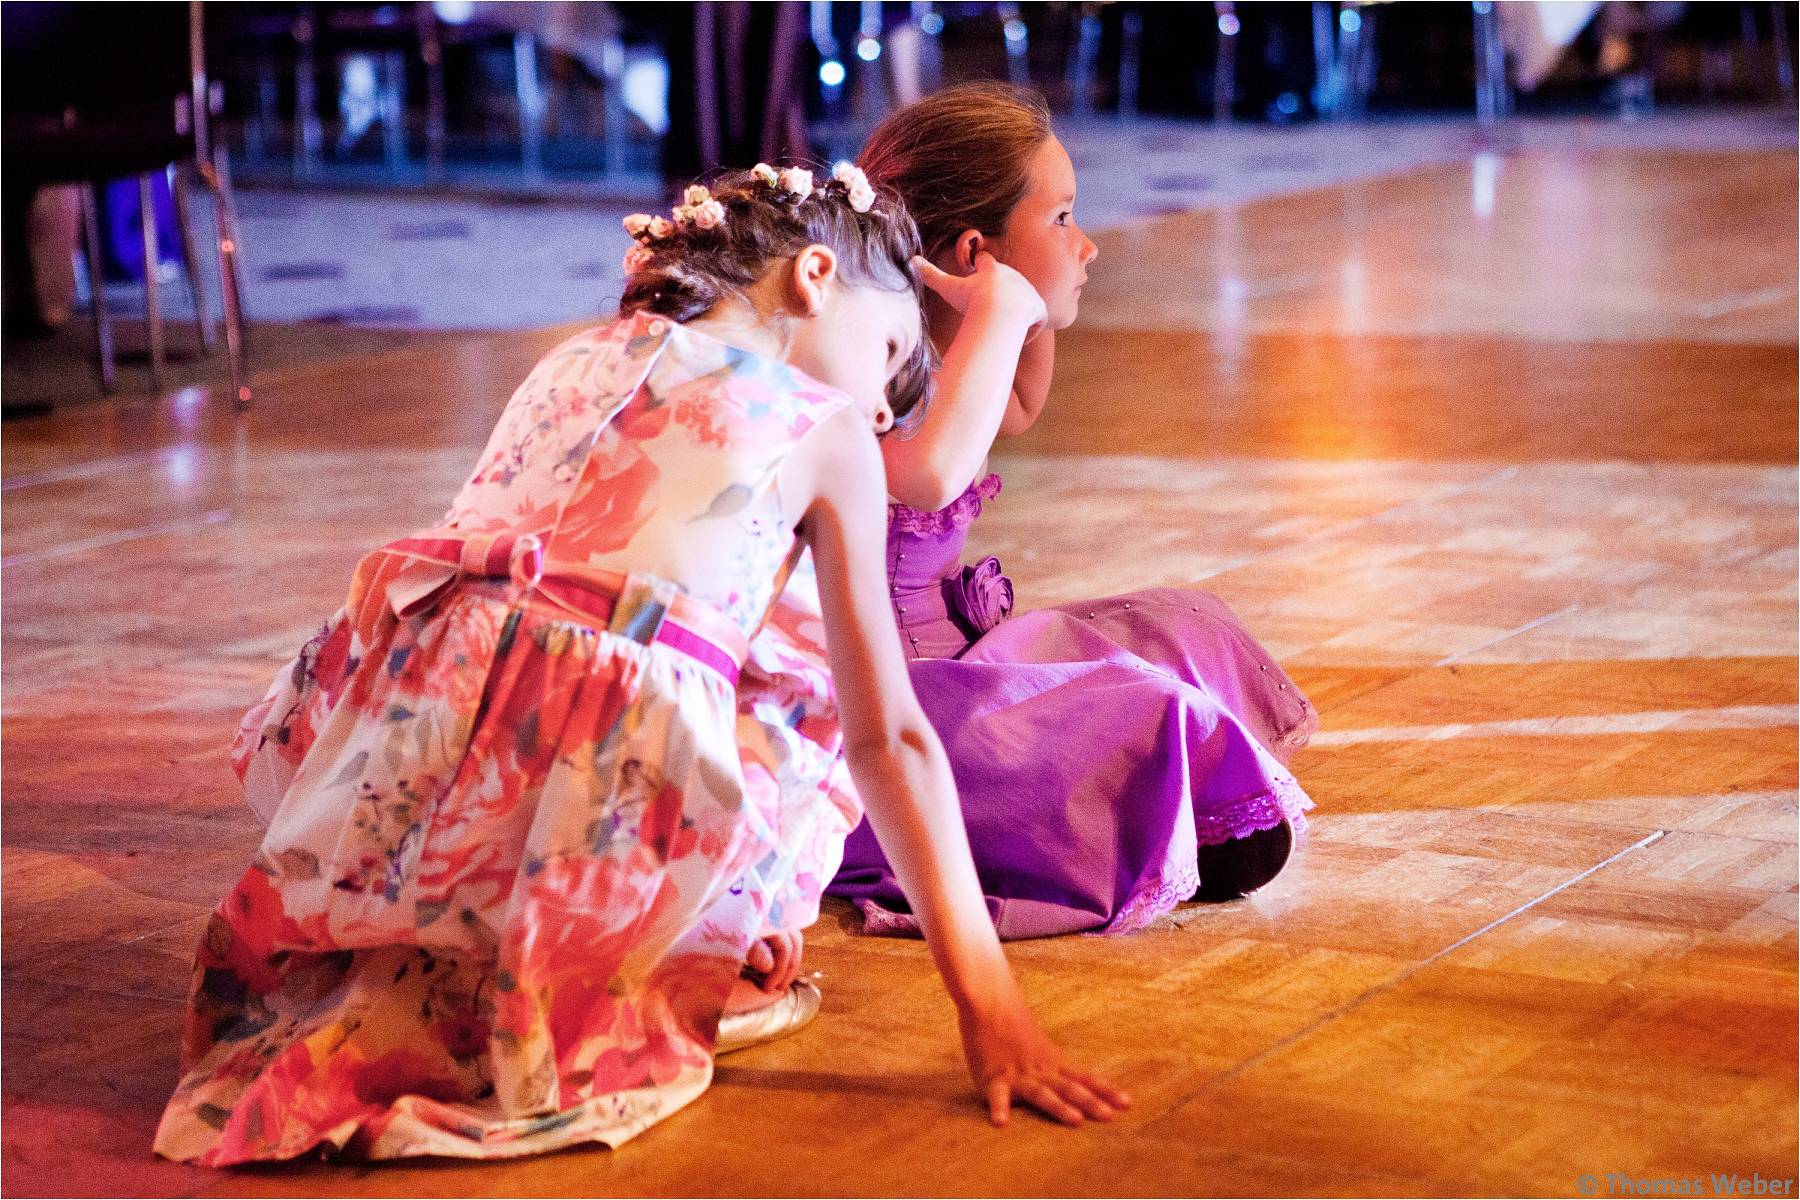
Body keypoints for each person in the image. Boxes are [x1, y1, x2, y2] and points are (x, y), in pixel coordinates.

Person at [154, 161, 1127, 1166]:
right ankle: (662, 940)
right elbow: (893, 739)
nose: (881, 415)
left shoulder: (576, 353)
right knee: (812, 688)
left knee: (691, 630)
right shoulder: (826, 426)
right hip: (577, 799)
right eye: (887, 355)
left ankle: (506, 949)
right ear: (814, 278)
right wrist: (989, 1003)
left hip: (402, 777)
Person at [805, 83, 1319, 939]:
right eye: (1063, 220)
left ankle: (1163, 804)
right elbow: (928, 476)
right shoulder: (875, 373)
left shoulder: (945, 347)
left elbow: (1017, 407)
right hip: (886, 704)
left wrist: (1023, 304)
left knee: (1184, 624)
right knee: (1143, 721)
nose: (1087, 244)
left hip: (961, 660)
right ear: (976, 253)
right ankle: (1136, 819)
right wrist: (1009, 301)